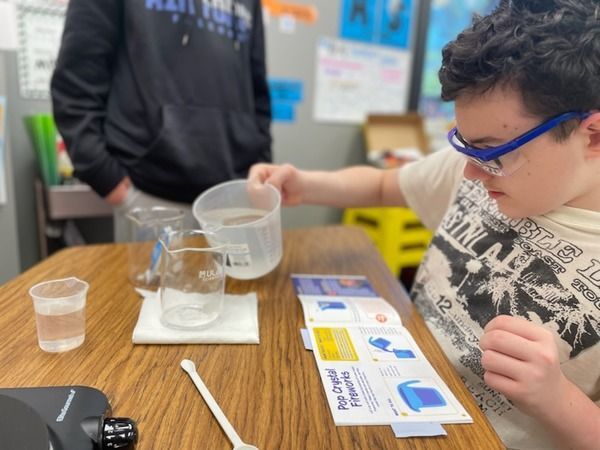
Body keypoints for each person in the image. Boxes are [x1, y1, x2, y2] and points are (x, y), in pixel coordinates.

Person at [248, 0, 600, 448]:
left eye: (493, 153)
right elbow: (382, 187)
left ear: (593, 134)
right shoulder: (476, 170)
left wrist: (555, 398)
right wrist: (304, 183)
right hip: (392, 385)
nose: (471, 172)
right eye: (465, 145)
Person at [51, 0, 272, 240]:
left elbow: (257, 91)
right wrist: (105, 176)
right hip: (149, 198)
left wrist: (260, 167)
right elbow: (76, 83)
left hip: (235, 199)